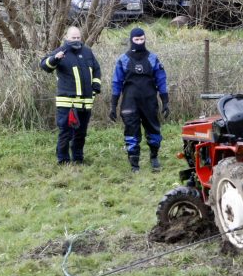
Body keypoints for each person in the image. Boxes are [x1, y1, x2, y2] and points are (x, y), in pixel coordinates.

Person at [39, 26, 102, 165]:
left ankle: (78, 159)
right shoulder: (61, 52)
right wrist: (55, 59)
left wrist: (96, 86)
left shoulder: (87, 52)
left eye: (78, 37)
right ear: (66, 38)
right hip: (68, 103)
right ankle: (63, 160)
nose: (76, 40)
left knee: (81, 133)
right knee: (66, 133)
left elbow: (97, 69)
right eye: (73, 38)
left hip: (86, 102)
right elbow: (44, 66)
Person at [110, 27, 169, 173]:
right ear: (131, 40)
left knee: (153, 130)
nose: (139, 42)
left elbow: (161, 80)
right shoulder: (123, 59)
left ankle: (154, 157)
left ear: (145, 39)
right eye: (136, 40)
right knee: (131, 132)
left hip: (149, 101)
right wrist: (113, 105)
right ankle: (134, 163)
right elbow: (116, 83)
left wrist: (165, 101)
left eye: (142, 39)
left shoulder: (152, 58)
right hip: (130, 102)